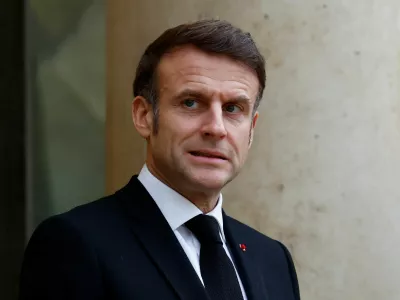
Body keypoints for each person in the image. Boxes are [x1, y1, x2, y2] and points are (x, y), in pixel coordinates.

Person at [19, 20, 300, 300]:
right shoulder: (74, 244)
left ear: (251, 129)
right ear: (144, 116)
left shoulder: (273, 260)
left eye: (233, 108)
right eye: (191, 102)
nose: (216, 128)